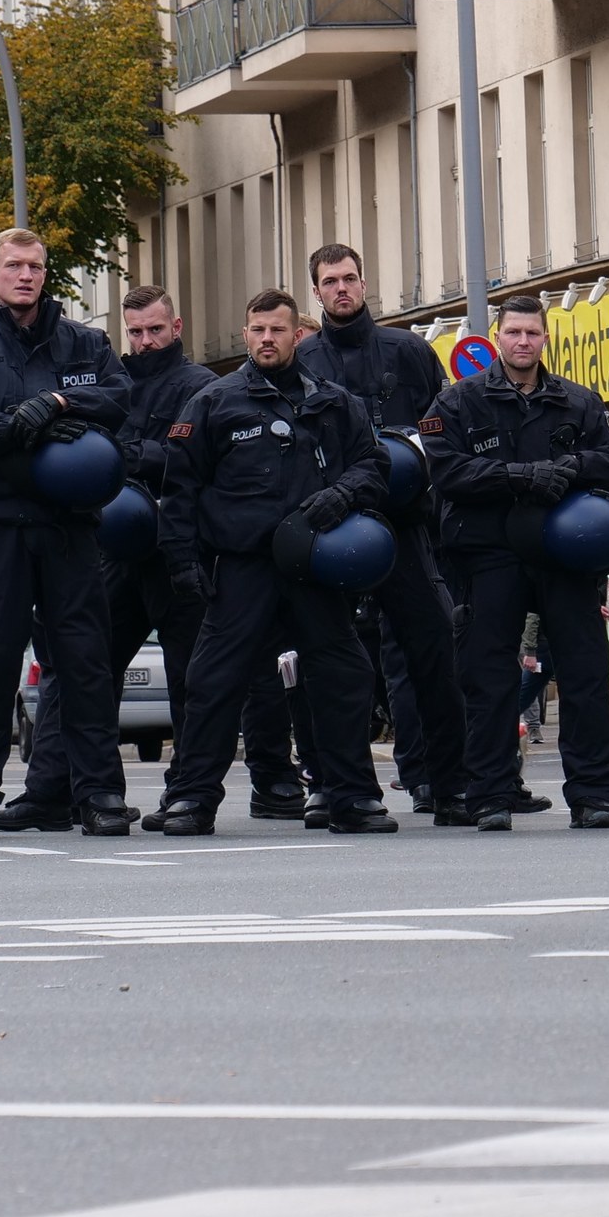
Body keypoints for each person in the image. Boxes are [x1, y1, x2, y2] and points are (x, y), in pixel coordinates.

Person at [17, 285, 317, 823]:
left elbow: (190, 464)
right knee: (81, 667)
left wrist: (125, 455)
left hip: (179, 548)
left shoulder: (203, 387)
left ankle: (205, 788)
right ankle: (53, 787)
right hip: (112, 548)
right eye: (135, 332)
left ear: (176, 328)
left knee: (200, 675)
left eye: (155, 329)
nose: (145, 340)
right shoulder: (113, 384)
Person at [148, 290, 394, 835]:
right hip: (242, 568)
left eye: (277, 330)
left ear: (295, 335)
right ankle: (192, 798)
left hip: (316, 566)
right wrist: (183, 564)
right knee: (212, 681)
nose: (266, 339)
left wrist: (344, 495)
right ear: (245, 334)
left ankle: (351, 796)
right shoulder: (214, 403)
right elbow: (180, 490)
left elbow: (374, 466)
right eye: (257, 330)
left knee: (344, 676)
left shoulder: (334, 402)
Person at [0, 228, 134, 839]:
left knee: (85, 662)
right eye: (13, 265)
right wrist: (22, 428)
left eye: (35, 266)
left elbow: (118, 401)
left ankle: (99, 794)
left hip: (68, 528)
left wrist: (60, 404)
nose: (25, 275)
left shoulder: (85, 342)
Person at [426, 295, 609, 829]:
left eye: (532, 334)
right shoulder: (458, 402)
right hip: (489, 554)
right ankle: (490, 794)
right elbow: (447, 472)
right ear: (497, 338)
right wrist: (518, 477)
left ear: (545, 338)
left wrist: (570, 466)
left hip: (564, 556)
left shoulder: (579, 402)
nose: (523, 342)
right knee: (488, 676)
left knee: (585, 674)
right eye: (513, 332)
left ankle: (592, 796)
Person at [300, 244, 472, 824]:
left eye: (350, 278)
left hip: (403, 525)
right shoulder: (304, 361)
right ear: (316, 292)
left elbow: (441, 426)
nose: (342, 289)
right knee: (327, 658)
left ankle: (448, 784)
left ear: (365, 283)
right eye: (330, 282)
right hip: (332, 525)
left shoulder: (408, 350)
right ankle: (336, 784)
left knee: (433, 651)